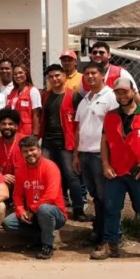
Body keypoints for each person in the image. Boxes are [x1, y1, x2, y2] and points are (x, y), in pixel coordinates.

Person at [92, 77, 140, 262]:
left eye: (125, 91)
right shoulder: (110, 115)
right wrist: (105, 165)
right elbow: (105, 142)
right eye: (118, 92)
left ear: (133, 91)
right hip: (116, 171)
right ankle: (111, 243)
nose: (122, 95)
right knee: (111, 208)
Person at [74, 63, 119, 246]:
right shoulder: (84, 100)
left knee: (106, 197)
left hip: (101, 155)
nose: (90, 77)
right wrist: (76, 155)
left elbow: (115, 129)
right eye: (87, 74)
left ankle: (111, 236)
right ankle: (99, 231)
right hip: (85, 154)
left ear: (102, 76)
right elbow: (78, 129)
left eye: (94, 73)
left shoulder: (111, 97)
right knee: (95, 196)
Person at [2, 136, 67, 259]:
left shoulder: (51, 167)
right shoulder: (20, 170)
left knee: (44, 209)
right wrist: (21, 211)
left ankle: (47, 245)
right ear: (21, 153)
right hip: (33, 213)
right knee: (8, 223)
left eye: (32, 150)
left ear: (39, 150)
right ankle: (41, 238)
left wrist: (32, 210)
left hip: (54, 213)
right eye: (25, 151)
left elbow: (51, 195)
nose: (29, 154)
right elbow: (17, 194)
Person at [40, 64, 86, 221]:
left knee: (71, 175)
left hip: (66, 142)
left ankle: (78, 208)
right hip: (47, 141)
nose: (54, 79)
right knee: (48, 174)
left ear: (64, 76)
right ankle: (52, 206)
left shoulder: (73, 96)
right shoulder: (45, 96)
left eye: (57, 75)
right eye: (51, 76)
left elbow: (81, 120)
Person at [0, 108, 26, 191]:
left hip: (23, 183)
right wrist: (1, 177)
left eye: (10, 124)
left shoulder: (25, 142)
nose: (7, 127)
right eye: (3, 124)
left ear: (16, 126)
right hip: (1, 184)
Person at [6, 64, 42, 137]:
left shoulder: (33, 91)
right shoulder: (13, 92)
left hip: (27, 131)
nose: (18, 76)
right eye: (15, 74)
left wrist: (35, 134)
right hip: (13, 130)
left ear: (26, 74)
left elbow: (36, 114)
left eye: (20, 73)